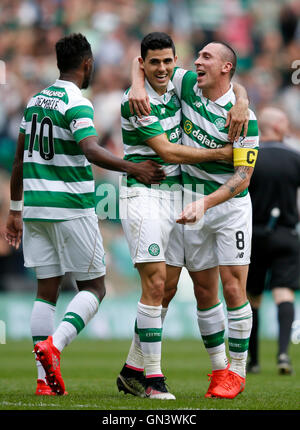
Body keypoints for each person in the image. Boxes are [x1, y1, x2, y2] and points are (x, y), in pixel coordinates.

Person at [4, 33, 166, 396]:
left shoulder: (34, 101)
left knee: (45, 292)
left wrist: (14, 211)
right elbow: (91, 150)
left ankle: (43, 381)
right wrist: (133, 167)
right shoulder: (76, 102)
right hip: (71, 207)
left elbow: (18, 161)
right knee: (95, 287)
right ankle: (54, 347)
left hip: (34, 208)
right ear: (87, 64)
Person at [116, 32, 250, 400]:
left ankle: (229, 371)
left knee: (221, 289)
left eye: (204, 57)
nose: (195, 63)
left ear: (224, 68)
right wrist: (135, 80)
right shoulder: (166, 89)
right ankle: (148, 375)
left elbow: (244, 175)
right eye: (197, 57)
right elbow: (167, 150)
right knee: (165, 287)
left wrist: (242, 97)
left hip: (220, 206)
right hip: (173, 200)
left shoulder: (242, 115)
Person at [246, 107, 300, 375]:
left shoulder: (250, 158)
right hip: (287, 234)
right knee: (284, 294)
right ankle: (282, 354)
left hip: (253, 235)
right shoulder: (295, 158)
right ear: (278, 127)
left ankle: (253, 360)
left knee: (252, 297)